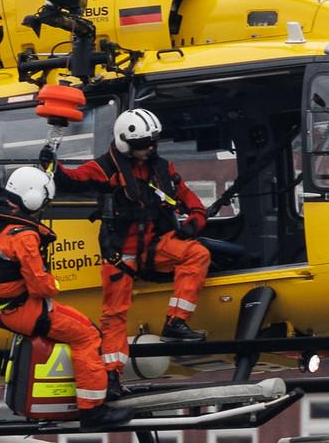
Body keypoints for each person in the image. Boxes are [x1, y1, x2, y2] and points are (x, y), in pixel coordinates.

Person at [50, 108, 210, 371]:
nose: (149, 149)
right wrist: (51, 165)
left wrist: (196, 219)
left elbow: (187, 195)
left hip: (153, 246)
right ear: (126, 143)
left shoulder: (161, 168)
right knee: (114, 315)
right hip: (120, 254)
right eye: (143, 144)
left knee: (197, 253)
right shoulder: (104, 168)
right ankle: (112, 374)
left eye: (152, 143)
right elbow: (72, 179)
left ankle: (175, 322)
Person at [0, 165, 116, 419]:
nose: (42, 210)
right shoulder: (22, 236)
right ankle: (92, 410)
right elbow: (40, 285)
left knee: (86, 327)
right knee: (87, 336)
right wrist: (55, 284)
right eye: (43, 204)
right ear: (32, 198)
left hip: (1, 306)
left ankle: (99, 390)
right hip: (21, 309)